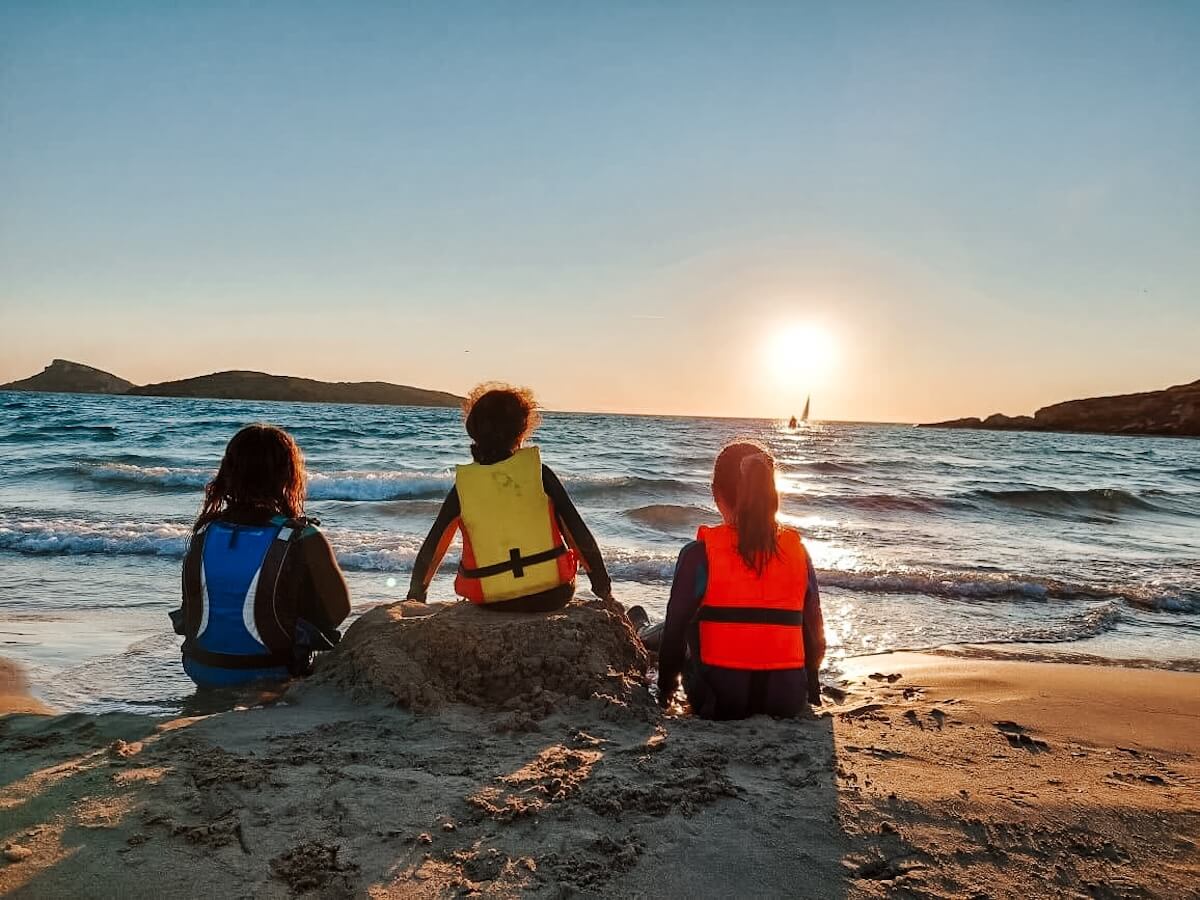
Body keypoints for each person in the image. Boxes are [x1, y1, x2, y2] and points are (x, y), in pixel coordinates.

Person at [171, 424, 351, 688]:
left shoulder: (205, 531)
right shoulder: (301, 535)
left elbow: (193, 604)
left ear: (229, 472)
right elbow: (339, 611)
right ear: (287, 476)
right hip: (272, 672)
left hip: (200, 667)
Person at [656, 441, 825, 719]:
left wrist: (664, 692)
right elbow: (814, 633)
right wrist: (812, 688)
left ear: (715, 493)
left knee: (676, 624)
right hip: (787, 700)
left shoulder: (699, 555)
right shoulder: (798, 552)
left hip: (719, 700)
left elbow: (674, 634)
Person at [408, 383, 613, 611]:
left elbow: (434, 546)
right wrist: (602, 588)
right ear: (522, 430)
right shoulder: (539, 474)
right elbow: (577, 532)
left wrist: (416, 594)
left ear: (473, 431)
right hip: (553, 593)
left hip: (490, 599)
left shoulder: (464, 487)